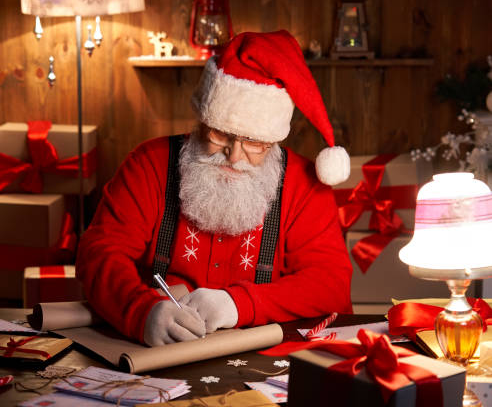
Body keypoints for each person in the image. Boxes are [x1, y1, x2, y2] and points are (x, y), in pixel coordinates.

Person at [76, 30, 353, 347]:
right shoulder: (148, 164)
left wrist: (237, 304)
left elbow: (331, 285)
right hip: (156, 353)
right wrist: (140, 310)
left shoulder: (304, 185)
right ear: (202, 122)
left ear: (274, 139)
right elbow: (99, 253)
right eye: (220, 135)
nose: (234, 156)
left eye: (253, 142)